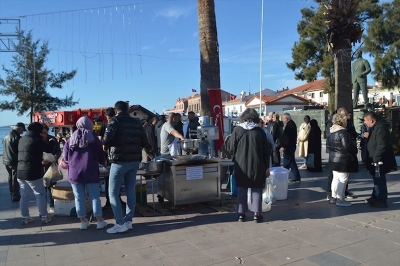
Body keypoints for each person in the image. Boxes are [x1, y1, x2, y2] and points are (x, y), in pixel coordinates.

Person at [103, 101, 150, 234]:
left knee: (112, 193)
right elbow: (145, 141)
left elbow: (106, 140)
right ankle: (128, 220)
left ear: (116, 110)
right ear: (128, 109)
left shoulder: (114, 121)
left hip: (119, 161)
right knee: (130, 190)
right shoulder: (136, 122)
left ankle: (119, 223)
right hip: (134, 160)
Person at [63, 116, 108, 230]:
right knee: (95, 197)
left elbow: (65, 157)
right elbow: (101, 155)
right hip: (90, 171)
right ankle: (99, 221)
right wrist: (104, 162)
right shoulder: (93, 138)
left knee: (79, 198)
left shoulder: (70, 139)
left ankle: (83, 222)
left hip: (74, 172)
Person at [227, 108, 271, 223]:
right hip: (258, 164)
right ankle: (256, 214)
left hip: (241, 165)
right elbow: (266, 151)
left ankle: (241, 214)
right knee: (256, 189)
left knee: (242, 188)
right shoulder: (260, 131)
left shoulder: (237, 130)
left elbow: (231, 148)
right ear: (255, 118)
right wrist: (267, 167)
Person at [17, 122, 54, 225]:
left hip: (20, 171)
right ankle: (44, 217)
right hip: (33, 171)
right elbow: (48, 149)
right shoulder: (37, 140)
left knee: (24, 196)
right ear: (38, 131)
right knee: (40, 194)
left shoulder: (21, 139)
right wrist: (51, 141)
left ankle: (24, 217)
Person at [363, 112, 397, 208]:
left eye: (366, 120)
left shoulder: (380, 128)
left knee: (380, 180)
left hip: (378, 160)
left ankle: (381, 200)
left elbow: (381, 145)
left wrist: (376, 159)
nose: (365, 123)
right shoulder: (375, 127)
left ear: (372, 120)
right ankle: (375, 196)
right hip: (375, 158)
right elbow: (375, 140)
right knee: (376, 179)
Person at [326, 107, 357, 200]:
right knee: (342, 179)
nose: (347, 119)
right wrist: (353, 152)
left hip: (334, 156)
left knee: (336, 179)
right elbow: (346, 147)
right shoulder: (343, 132)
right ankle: (340, 198)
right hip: (342, 158)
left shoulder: (333, 131)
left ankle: (334, 197)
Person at [98, 107, 125, 210]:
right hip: (114, 156)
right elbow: (101, 141)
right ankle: (113, 200)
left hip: (109, 156)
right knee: (112, 179)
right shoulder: (115, 125)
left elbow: (101, 142)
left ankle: (112, 200)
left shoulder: (105, 125)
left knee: (111, 179)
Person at [40, 123, 62, 212]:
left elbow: (58, 150)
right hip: (41, 166)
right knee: (42, 188)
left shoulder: (52, 139)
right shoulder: (37, 140)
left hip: (51, 166)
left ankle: (52, 205)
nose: (43, 134)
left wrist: (55, 157)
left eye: (45, 132)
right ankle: (43, 208)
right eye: (42, 132)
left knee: (51, 186)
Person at [3, 122, 26, 202]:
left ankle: (12, 193)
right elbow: (20, 150)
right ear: (19, 129)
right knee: (15, 179)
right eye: (22, 130)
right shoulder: (17, 138)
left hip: (6, 160)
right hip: (14, 161)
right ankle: (15, 195)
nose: (23, 132)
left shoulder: (6, 136)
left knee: (10, 177)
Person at [279, 113, 301, 182]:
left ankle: (282, 177)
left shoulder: (290, 126)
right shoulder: (291, 124)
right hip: (291, 146)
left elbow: (287, 138)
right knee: (291, 162)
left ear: (287, 118)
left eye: (283, 118)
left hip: (289, 147)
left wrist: (283, 146)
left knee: (286, 162)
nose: (283, 120)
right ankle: (296, 176)